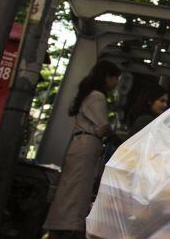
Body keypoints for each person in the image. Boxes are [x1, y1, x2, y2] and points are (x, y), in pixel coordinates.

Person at [43, 60, 121, 237]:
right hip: (87, 144)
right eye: (115, 78)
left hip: (82, 143)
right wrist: (118, 140)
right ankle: (67, 226)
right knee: (77, 189)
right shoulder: (97, 96)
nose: (116, 83)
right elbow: (103, 126)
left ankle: (61, 225)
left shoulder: (89, 94)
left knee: (72, 187)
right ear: (107, 77)